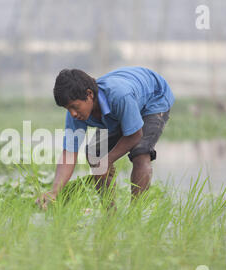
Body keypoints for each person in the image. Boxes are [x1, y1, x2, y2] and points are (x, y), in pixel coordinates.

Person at [36, 66, 174, 210]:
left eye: (75, 107)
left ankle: (134, 218)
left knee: (141, 153)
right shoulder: (75, 114)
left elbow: (135, 135)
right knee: (95, 155)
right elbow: (69, 153)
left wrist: (108, 160)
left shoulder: (119, 96)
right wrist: (54, 191)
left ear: (89, 94)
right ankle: (110, 215)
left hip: (153, 98)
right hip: (123, 107)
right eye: (68, 109)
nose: (73, 114)